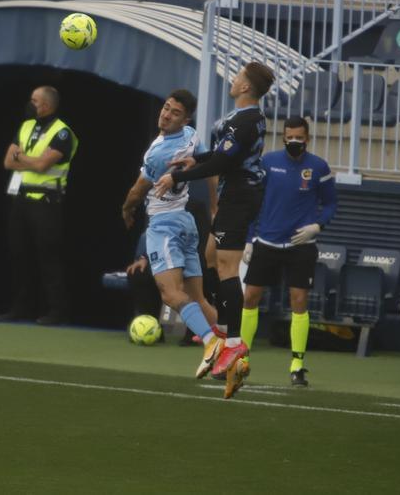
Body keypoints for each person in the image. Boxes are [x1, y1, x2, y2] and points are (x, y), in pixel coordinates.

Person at [153, 62, 274, 399]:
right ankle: (224, 336)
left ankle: (232, 344)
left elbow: (224, 163)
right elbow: (222, 155)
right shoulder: (242, 118)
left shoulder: (248, 119)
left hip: (239, 196)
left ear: (247, 87)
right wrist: (197, 160)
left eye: (238, 77)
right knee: (209, 256)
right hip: (233, 195)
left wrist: (177, 176)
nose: (233, 81)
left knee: (226, 268)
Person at [120, 90, 221, 372]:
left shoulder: (157, 153)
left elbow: (138, 191)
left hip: (165, 225)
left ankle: (212, 342)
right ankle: (232, 348)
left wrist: (126, 210)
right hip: (187, 224)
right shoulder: (191, 135)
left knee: (171, 294)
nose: (166, 114)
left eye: (174, 113)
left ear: (185, 118)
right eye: (166, 108)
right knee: (198, 299)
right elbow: (210, 166)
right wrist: (214, 205)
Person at [239, 117, 337, 388]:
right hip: (266, 242)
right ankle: (241, 359)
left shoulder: (318, 167)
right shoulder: (268, 163)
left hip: (300, 245)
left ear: (307, 138)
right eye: (290, 137)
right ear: (283, 137)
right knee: (250, 297)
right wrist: (249, 239)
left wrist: (317, 226)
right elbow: (252, 202)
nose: (294, 142)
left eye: (299, 138)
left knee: (299, 301)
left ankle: (297, 365)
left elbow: (330, 204)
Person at [0, 86, 79, 326]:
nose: (30, 103)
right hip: (21, 199)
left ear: (46, 105)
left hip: (47, 201)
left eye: (34, 100)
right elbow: (7, 162)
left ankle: (56, 310)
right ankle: (20, 307)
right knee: (19, 254)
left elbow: (43, 165)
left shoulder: (62, 132)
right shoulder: (25, 126)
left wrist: (21, 158)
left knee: (48, 257)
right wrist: (27, 161)